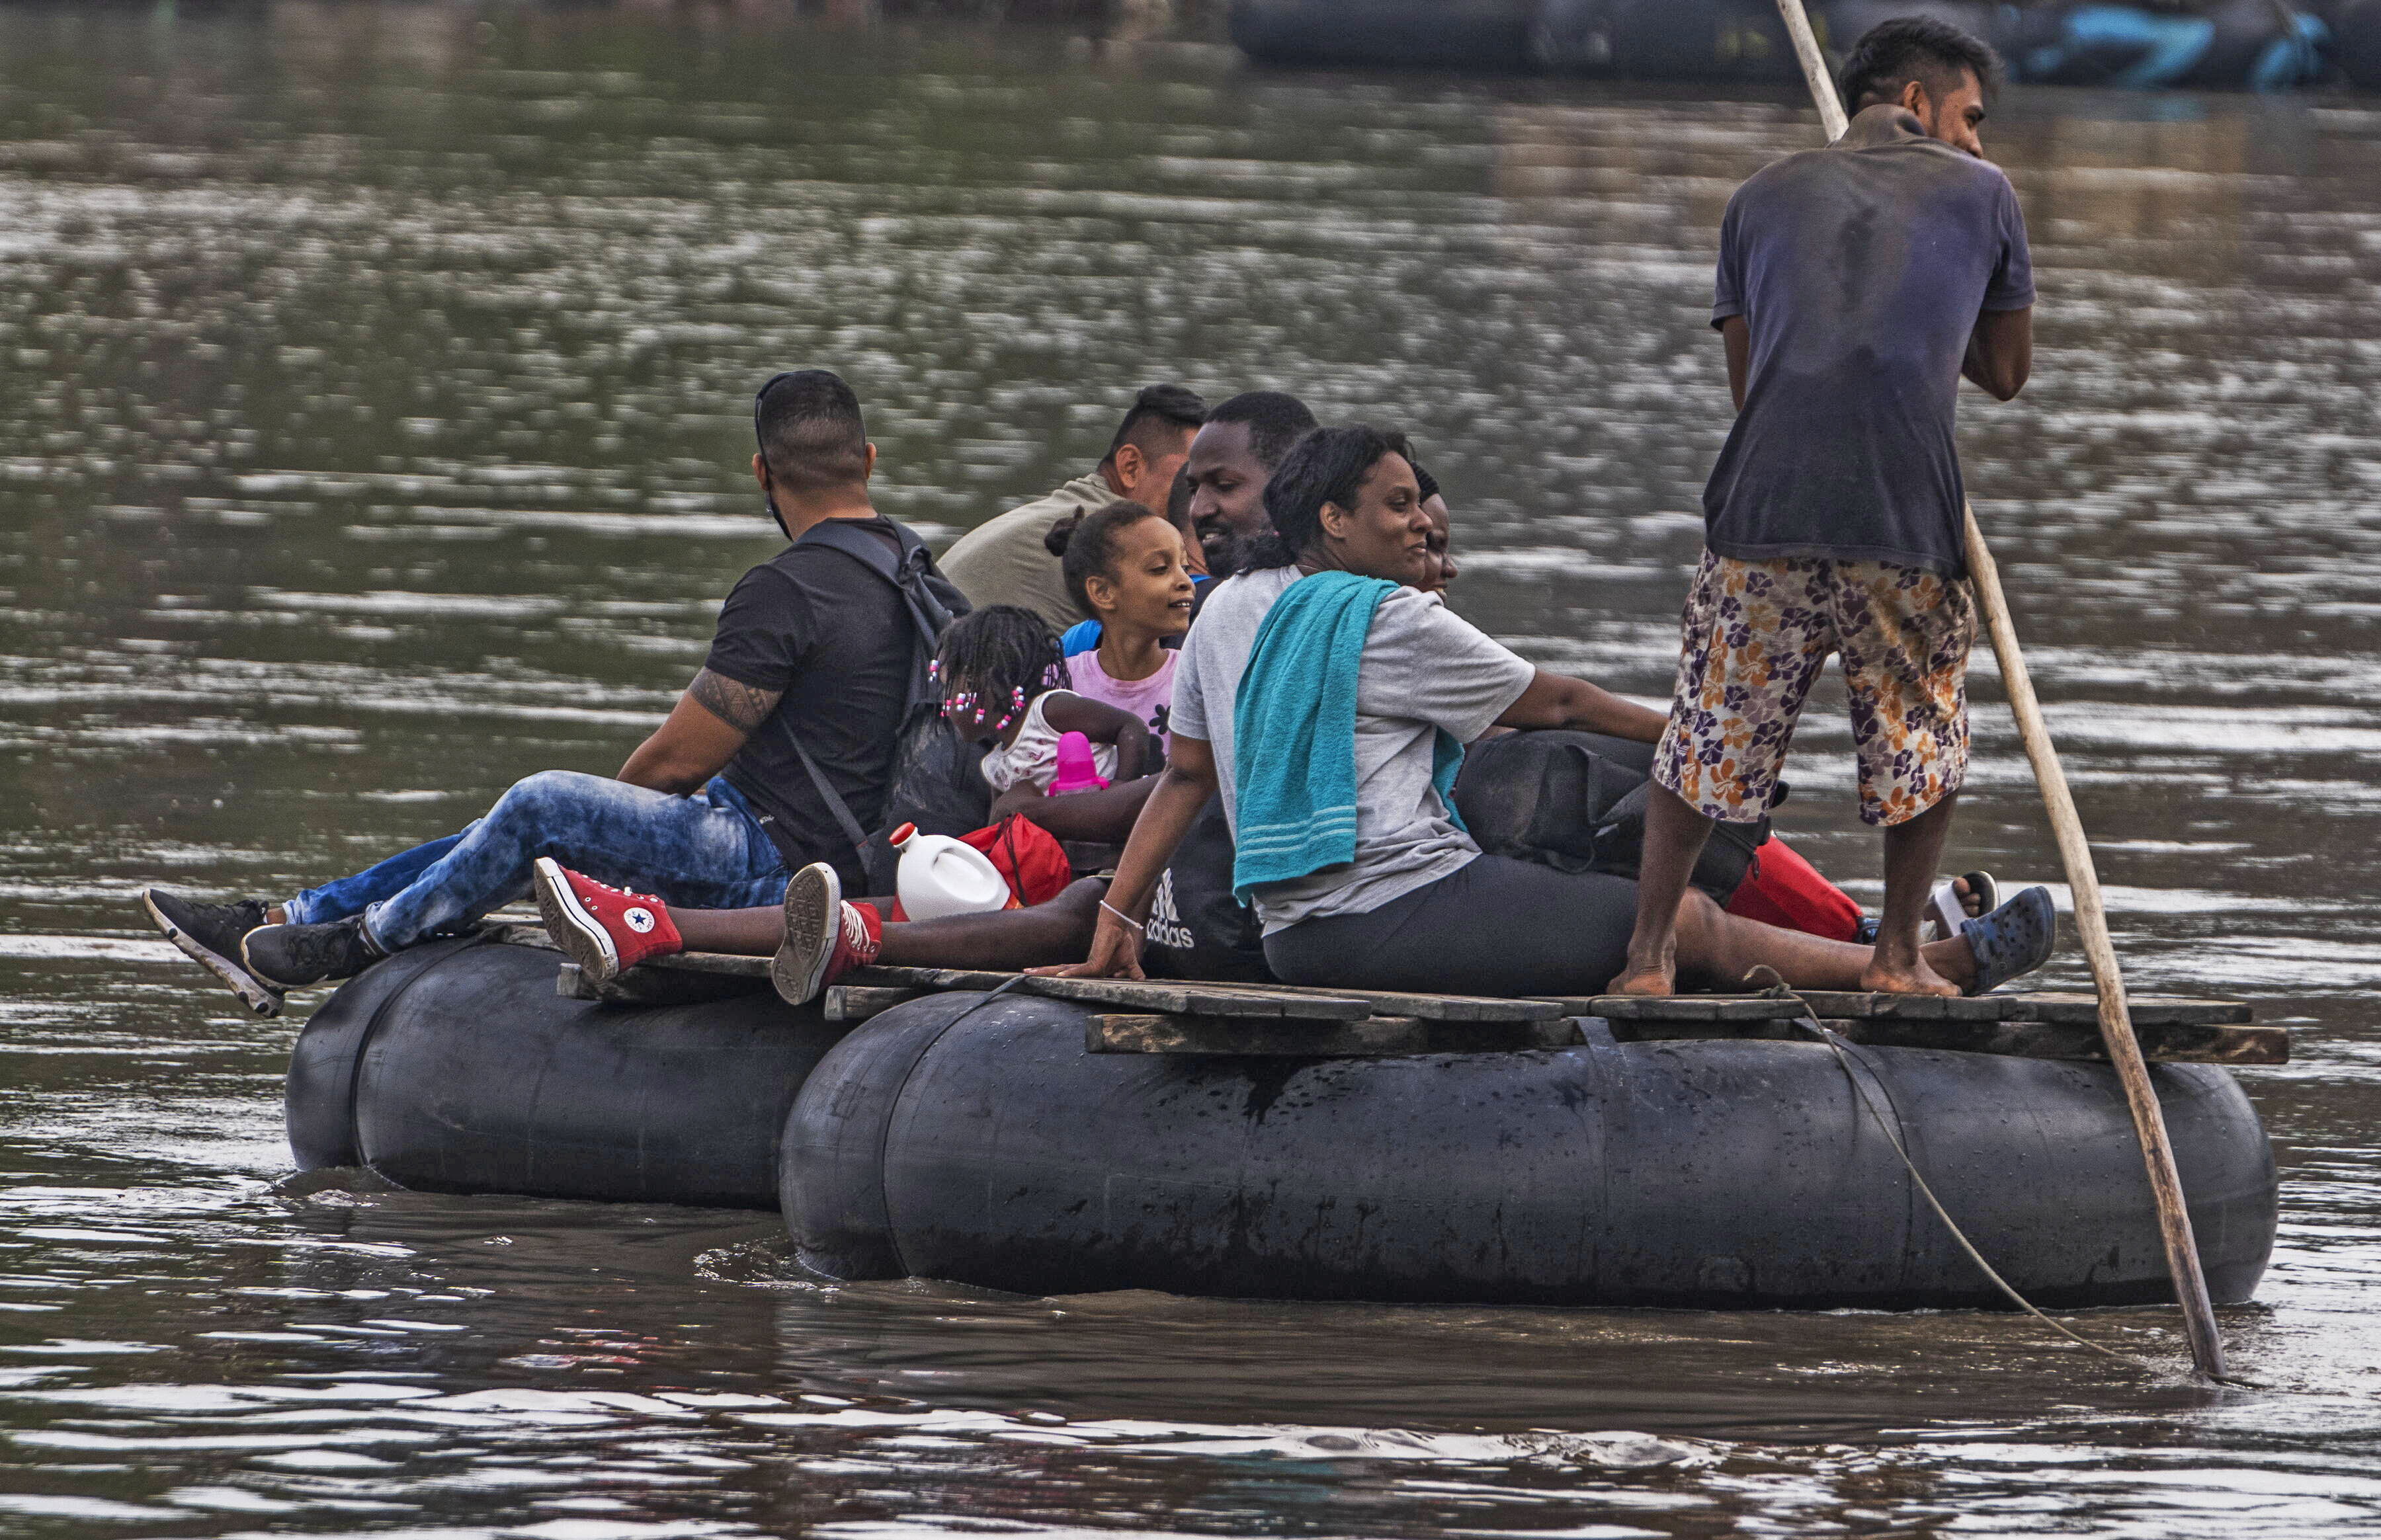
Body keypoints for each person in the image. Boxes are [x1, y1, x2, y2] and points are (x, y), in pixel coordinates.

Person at [1054, 425, 2055, 998]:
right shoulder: (1380, 616)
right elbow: (1559, 701)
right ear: (1333, 521)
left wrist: (1119, 916)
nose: (1415, 526)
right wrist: (1700, 734)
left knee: (1550, 868)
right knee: (1680, 923)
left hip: (1293, 930)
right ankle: (1919, 965)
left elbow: (1187, 776)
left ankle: (1886, 948)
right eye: (1396, 506)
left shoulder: (1227, 605)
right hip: (1388, 913)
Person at [140, 369, 964, 1012]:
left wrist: (606, 830)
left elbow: (673, 765)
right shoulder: (926, 579)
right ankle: (292, 918)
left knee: (546, 808)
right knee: (523, 826)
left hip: (776, 867)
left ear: (760, 471)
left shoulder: (786, 591)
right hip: (865, 859)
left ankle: (355, 941)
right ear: (868, 460)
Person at [1614, 16, 2036, 999]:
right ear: (1918, 102)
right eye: (1970, 116)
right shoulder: (1985, 194)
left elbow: (1748, 383)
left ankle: (1647, 959)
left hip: (1763, 505)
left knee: (1708, 732)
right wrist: (1938, 305)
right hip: (1902, 513)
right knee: (1920, 738)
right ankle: (1894, 957)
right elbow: (2008, 373)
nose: (1977, 141)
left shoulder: (1759, 193)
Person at [939, 384, 1206, 630]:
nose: (1204, 499)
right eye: (1191, 479)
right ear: (1130, 467)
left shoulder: (1064, 512)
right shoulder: (1117, 535)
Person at [939, 606, 1154, 805]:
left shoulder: (1048, 712)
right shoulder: (997, 767)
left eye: (947, 688)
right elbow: (1001, 831)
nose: (943, 704)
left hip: (1129, 820)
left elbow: (1131, 727)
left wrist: (1120, 790)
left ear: (974, 683)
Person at [1047, 499, 1198, 754]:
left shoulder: (1196, 680)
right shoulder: (1056, 686)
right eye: (1160, 569)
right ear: (1103, 592)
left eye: (1184, 567)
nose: (1186, 582)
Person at [1182, 391, 1319, 579]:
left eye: (1224, 485)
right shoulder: (1203, 603)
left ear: (1293, 485)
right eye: (1193, 490)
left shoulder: (1363, 600)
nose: (1197, 511)